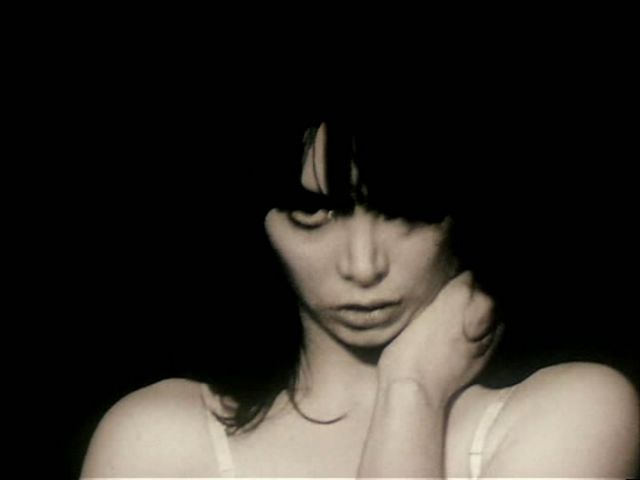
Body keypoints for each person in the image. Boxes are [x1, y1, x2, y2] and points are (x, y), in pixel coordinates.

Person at [80, 111, 639, 478]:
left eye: (404, 210)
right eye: (313, 212)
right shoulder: (156, 437)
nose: (363, 266)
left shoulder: (576, 411)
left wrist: (410, 391)